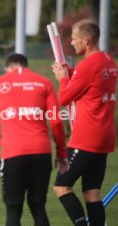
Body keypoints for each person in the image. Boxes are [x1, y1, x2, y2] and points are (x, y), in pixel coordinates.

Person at [0, 53, 69, 226]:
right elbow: (56, 121)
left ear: (6, 68)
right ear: (27, 66)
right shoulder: (44, 83)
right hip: (41, 152)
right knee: (38, 206)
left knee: (13, 207)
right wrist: (62, 153)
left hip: (13, 153)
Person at [52, 19, 117, 226]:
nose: (71, 43)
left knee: (61, 187)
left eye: (73, 39)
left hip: (86, 137)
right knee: (92, 193)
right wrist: (71, 73)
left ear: (86, 40)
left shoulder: (88, 64)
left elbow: (64, 98)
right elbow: (91, 82)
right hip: (104, 136)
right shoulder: (108, 60)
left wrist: (63, 77)